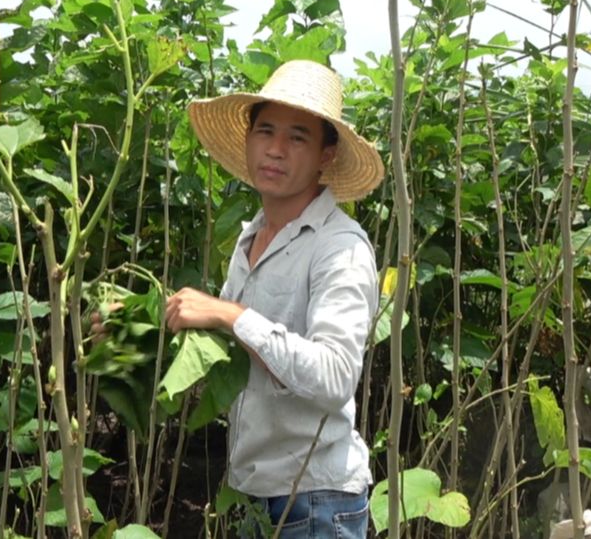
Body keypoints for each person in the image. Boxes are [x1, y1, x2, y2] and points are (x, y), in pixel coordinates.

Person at [95, 60, 384, 537]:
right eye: (265, 130)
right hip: (255, 494)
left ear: (326, 155)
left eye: (297, 137)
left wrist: (233, 313)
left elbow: (335, 377)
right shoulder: (251, 239)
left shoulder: (341, 247)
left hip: (317, 502)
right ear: (248, 140)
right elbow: (222, 355)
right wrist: (133, 333)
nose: (275, 149)